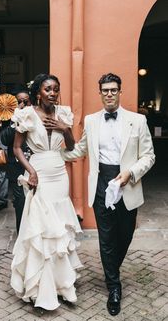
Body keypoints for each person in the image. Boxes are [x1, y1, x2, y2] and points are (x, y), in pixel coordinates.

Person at [62, 73, 155, 316]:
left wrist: (130, 174)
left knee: (124, 236)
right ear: (100, 93)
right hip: (102, 184)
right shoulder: (92, 121)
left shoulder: (138, 121)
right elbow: (80, 150)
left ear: (120, 92)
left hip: (128, 184)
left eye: (114, 90)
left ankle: (111, 269)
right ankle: (114, 286)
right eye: (105, 90)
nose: (110, 94)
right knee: (106, 238)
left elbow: (149, 156)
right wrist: (52, 155)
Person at [10, 74, 82, 311]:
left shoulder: (63, 114)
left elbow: (71, 146)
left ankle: (62, 285)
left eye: (55, 89)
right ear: (38, 93)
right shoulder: (27, 115)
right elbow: (17, 147)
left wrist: (65, 128)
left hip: (60, 175)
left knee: (59, 228)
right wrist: (30, 170)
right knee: (42, 229)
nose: (52, 93)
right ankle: (41, 288)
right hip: (39, 174)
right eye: (47, 89)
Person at [0, 88, 31, 232]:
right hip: (16, 168)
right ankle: (21, 235)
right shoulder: (11, 119)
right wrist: (15, 121)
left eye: (26, 101)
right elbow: (5, 140)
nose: (22, 104)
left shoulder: (36, 116)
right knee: (20, 202)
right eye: (19, 102)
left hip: (34, 166)